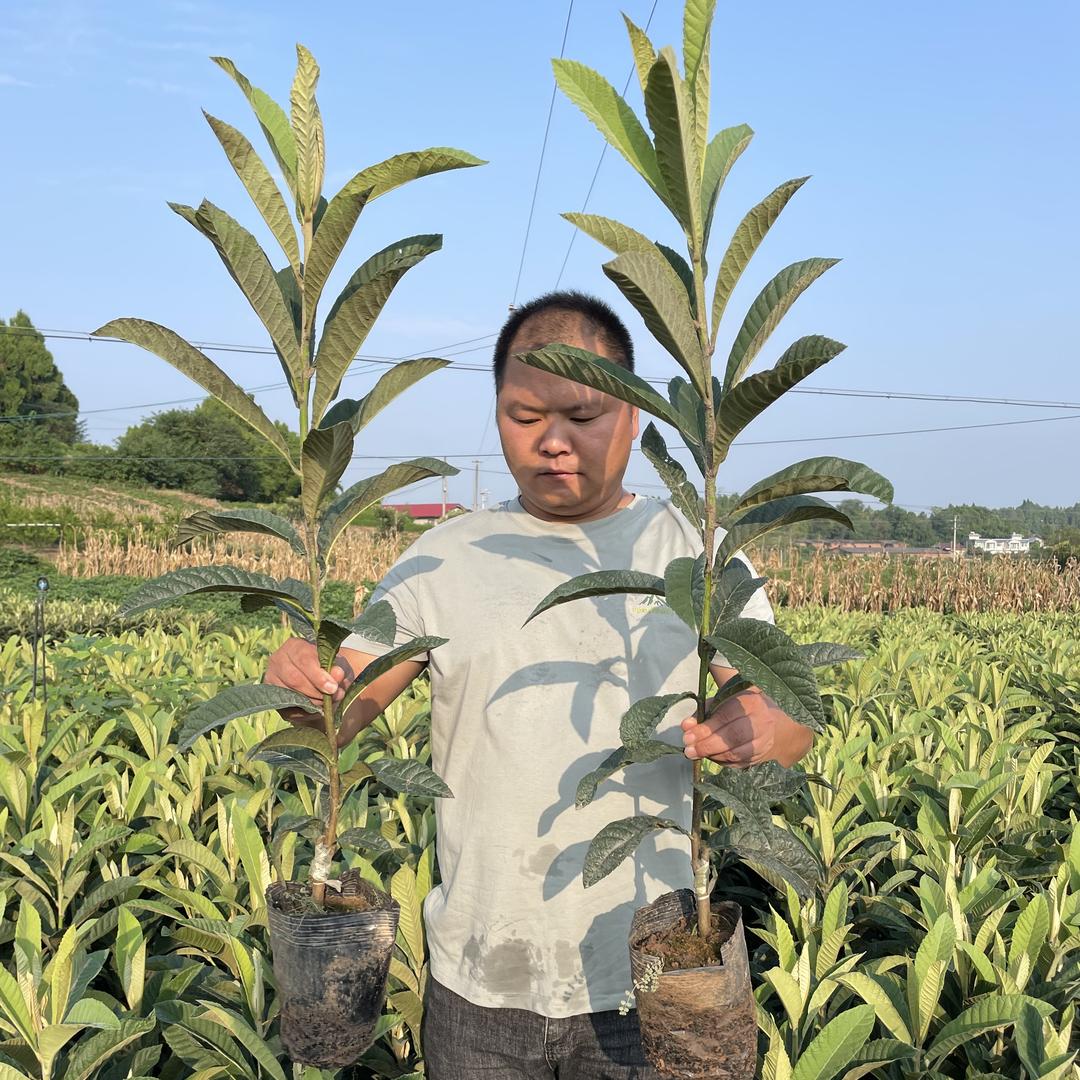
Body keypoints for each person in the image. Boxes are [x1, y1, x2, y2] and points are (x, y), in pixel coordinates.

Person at [264, 290, 813, 1078]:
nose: (553, 441)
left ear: (632, 416)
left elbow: (790, 718)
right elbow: (339, 713)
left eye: (582, 417)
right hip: (478, 984)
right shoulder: (440, 557)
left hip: (655, 981)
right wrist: (294, 685)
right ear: (496, 414)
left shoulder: (697, 553)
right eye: (525, 418)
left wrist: (762, 728)